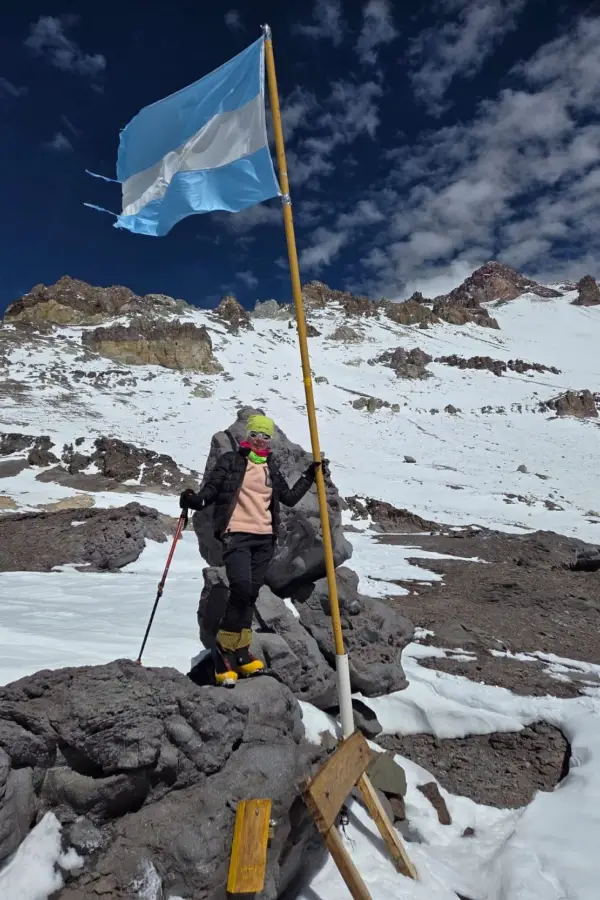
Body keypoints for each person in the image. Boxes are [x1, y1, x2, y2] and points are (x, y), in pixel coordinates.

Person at [179, 414, 327, 688]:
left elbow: (290, 498)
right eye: (256, 434)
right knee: (241, 590)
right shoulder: (232, 462)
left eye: (266, 436)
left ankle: (242, 652)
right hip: (236, 536)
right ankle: (223, 651)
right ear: (247, 436)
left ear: (271, 441)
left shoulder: (271, 468)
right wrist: (194, 500)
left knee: (250, 596)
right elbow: (210, 491)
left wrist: (310, 476)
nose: (260, 439)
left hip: (264, 540)